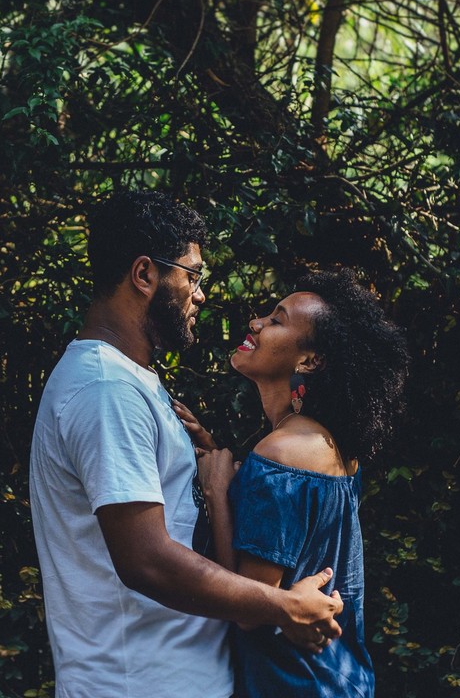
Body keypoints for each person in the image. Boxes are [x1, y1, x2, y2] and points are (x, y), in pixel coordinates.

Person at [28, 191, 345, 698]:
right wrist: (284, 606)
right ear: (145, 275)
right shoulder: (106, 391)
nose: (200, 294)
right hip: (136, 685)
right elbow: (146, 559)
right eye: (193, 275)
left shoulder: (131, 381)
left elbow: (175, 518)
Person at [175, 269, 409, 698]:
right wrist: (213, 452)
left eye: (277, 320)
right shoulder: (332, 446)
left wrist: (215, 494)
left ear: (309, 361)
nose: (256, 323)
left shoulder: (282, 454)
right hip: (341, 679)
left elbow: (250, 606)